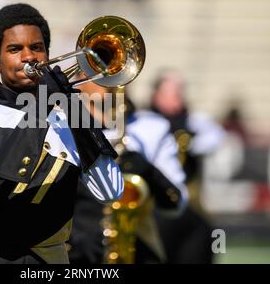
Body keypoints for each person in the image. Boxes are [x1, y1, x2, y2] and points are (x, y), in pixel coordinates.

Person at [0, 3, 124, 264]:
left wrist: (75, 114)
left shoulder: (68, 120)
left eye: (37, 48)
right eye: (15, 49)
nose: (29, 57)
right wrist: (40, 107)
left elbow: (110, 191)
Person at [68, 82, 188, 264]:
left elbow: (177, 204)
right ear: (80, 77)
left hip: (135, 251)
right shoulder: (62, 126)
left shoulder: (151, 127)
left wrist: (148, 170)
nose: (104, 77)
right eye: (92, 69)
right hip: (75, 255)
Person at [149, 71, 225, 264]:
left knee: (203, 249)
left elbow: (216, 138)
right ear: (157, 95)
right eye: (172, 92)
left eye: (180, 92)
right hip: (155, 208)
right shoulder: (145, 121)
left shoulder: (194, 121)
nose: (178, 97)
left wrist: (190, 142)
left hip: (192, 207)